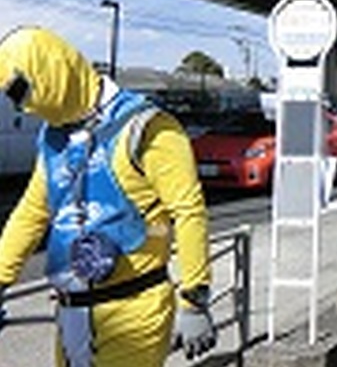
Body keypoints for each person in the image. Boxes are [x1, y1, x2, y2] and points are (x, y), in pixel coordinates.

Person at [0, 26, 215, 366]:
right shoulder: (53, 138)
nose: (27, 108)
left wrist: (195, 297)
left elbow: (189, 211)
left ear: (51, 70)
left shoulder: (148, 127)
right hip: (71, 313)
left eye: (26, 93)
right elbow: (33, 212)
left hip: (135, 309)